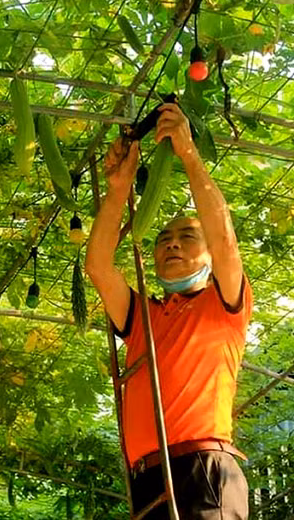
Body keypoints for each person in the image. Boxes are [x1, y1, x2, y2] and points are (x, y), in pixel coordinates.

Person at [85, 103, 252, 519]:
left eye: (187, 236)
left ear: (211, 255)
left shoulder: (224, 302)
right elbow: (99, 267)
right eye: (163, 238)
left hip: (203, 470)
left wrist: (189, 156)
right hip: (146, 480)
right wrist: (119, 187)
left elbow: (225, 239)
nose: (172, 244)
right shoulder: (144, 317)